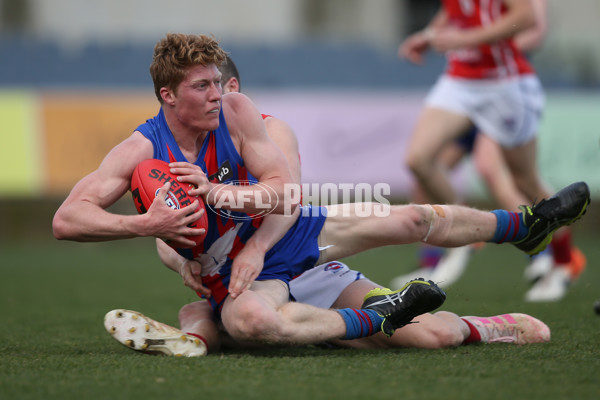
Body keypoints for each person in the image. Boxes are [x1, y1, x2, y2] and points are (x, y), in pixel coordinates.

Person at [53, 33, 589, 351]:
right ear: (168, 95)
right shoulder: (140, 151)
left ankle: (528, 224)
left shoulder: (248, 118)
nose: (221, 94)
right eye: (205, 86)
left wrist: (222, 197)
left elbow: (286, 196)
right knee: (422, 337)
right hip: (241, 276)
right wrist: (149, 229)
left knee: (411, 217)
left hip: (292, 238)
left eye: (222, 83)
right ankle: (392, 320)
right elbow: (69, 220)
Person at [397, 0, 585, 301]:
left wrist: (466, 39)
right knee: (418, 160)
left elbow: (525, 19)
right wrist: (430, 35)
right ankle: (463, 233)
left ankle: (563, 261)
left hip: (504, 85)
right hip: (460, 81)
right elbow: (456, 8)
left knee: (523, 181)